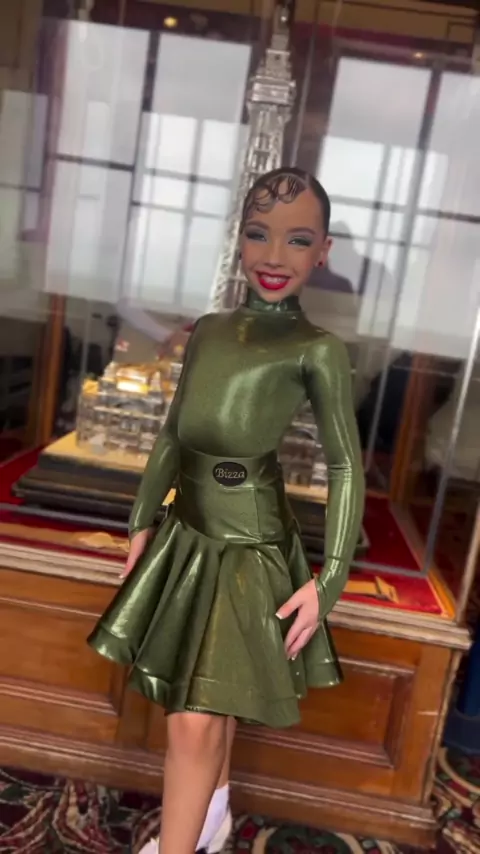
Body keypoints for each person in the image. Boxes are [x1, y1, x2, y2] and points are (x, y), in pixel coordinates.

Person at [87, 167, 365, 854]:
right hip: (188, 530)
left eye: (297, 240)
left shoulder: (317, 349)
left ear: (323, 251)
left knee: (195, 715)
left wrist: (330, 579)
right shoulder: (209, 330)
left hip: (250, 544)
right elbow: (174, 432)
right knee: (210, 687)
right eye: (258, 234)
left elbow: (345, 465)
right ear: (238, 238)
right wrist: (142, 519)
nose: (274, 256)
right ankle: (212, 815)